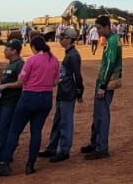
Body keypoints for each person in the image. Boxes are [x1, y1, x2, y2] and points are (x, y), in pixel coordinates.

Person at [0, 33, 59, 177]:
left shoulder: (31, 60)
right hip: (46, 98)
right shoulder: (54, 60)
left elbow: (21, 82)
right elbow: (55, 82)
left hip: (29, 97)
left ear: (33, 47)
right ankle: (30, 165)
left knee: (14, 131)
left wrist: (5, 86)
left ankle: (4, 164)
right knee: (36, 132)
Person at [83, 15, 123, 160]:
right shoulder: (113, 39)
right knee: (97, 114)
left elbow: (110, 64)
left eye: (99, 28)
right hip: (104, 81)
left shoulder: (111, 41)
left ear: (107, 26)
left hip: (105, 83)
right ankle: (95, 143)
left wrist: (102, 86)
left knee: (102, 115)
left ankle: (102, 147)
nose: (98, 31)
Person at [44, 29, 85, 162]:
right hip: (63, 92)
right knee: (57, 121)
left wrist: (79, 91)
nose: (60, 41)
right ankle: (52, 147)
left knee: (65, 122)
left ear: (69, 39)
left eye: (62, 38)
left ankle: (64, 150)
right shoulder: (69, 54)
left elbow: (77, 76)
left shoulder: (73, 55)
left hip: (68, 93)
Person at [0, 39, 25, 167]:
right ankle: (4, 154)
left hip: (12, 101)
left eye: (7, 49)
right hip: (5, 100)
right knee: (2, 128)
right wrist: (1, 85)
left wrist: (5, 86)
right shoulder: (10, 64)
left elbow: (21, 83)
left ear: (14, 51)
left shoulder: (20, 64)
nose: (4, 51)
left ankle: (1, 156)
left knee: (5, 129)